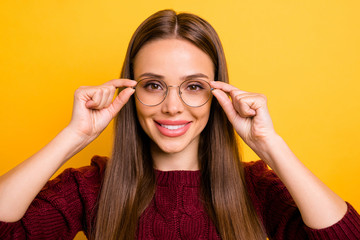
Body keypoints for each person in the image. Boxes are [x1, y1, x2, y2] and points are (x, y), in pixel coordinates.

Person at [0, 9, 359, 240]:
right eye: (153, 85)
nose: (173, 107)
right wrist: (73, 136)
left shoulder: (255, 188)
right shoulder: (92, 188)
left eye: (193, 86)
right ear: (130, 90)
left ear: (217, 93)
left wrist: (269, 144)